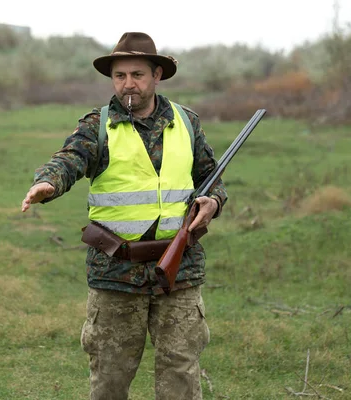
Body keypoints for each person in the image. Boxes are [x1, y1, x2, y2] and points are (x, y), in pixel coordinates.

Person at [21, 32, 227, 400]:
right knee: (110, 381)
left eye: (137, 74)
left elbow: (210, 179)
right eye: (120, 76)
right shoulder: (97, 125)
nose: (128, 83)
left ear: (156, 75)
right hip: (115, 274)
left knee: (181, 376)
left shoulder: (187, 122)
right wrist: (48, 183)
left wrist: (212, 201)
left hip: (179, 270)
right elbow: (69, 159)